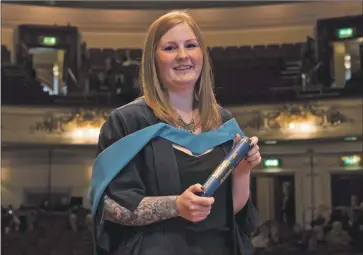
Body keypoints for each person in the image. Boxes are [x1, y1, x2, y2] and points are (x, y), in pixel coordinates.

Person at [91, 10, 261, 255]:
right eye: (170, 48)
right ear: (154, 59)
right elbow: (110, 206)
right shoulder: (128, 122)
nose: (183, 56)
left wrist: (243, 169)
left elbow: (229, 210)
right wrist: (176, 206)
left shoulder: (223, 121)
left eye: (191, 45)